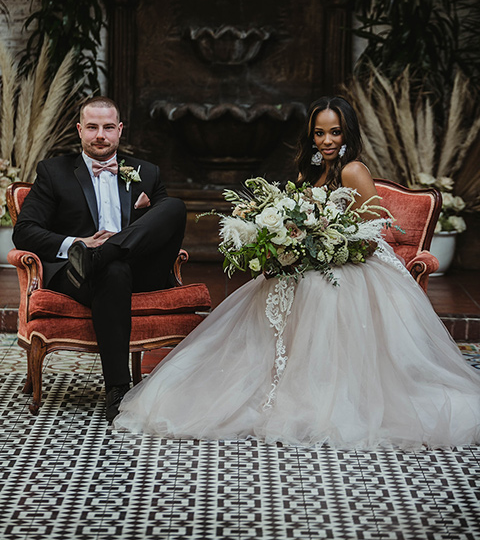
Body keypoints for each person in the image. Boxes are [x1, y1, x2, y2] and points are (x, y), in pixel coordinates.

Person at [113, 96, 480, 449]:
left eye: (335, 132)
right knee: (272, 288)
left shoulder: (354, 172)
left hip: (354, 265)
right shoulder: (311, 171)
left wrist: (328, 250)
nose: (327, 141)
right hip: (314, 258)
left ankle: (318, 393)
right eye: (319, 133)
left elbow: (374, 234)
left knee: (318, 293)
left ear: (348, 133)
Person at [13, 96, 186, 422]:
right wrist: (77, 243)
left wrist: (105, 248)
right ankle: (118, 389)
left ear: (120, 130)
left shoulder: (146, 172)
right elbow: (24, 231)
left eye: (108, 127)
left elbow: (164, 228)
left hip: (140, 269)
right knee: (114, 271)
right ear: (80, 130)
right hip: (78, 276)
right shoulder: (54, 172)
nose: (100, 135)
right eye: (92, 127)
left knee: (173, 207)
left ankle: (103, 255)